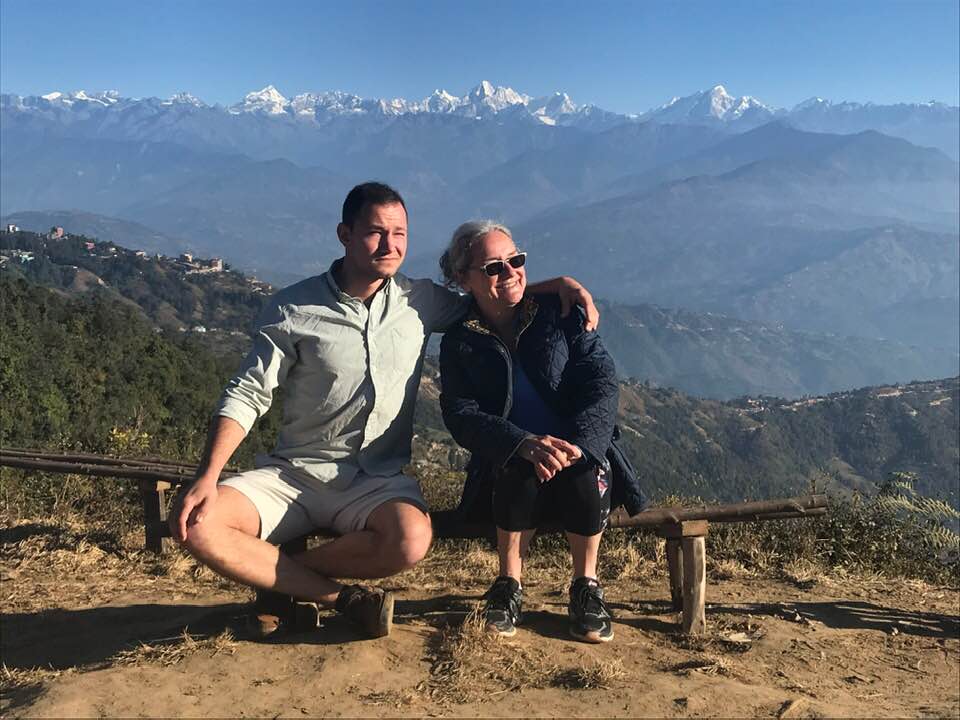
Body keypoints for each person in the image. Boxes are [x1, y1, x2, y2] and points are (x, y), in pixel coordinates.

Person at [170, 183, 599, 639]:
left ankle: (281, 580)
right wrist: (208, 475)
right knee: (198, 524)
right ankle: (341, 599)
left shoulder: (421, 302)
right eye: (376, 232)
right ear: (345, 234)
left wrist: (557, 286)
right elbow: (248, 392)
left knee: (412, 539)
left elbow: (494, 287)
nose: (390, 245)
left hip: (376, 481)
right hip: (293, 474)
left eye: (400, 233)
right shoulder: (293, 307)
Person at [437, 220, 645, 643]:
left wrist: (579, 445)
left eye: (516, 261)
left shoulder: (562, 314)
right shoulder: (459, 340)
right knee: (517, 466)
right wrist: (519, 442)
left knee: (586, 469)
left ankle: (586, 585)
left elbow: (602, 384)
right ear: (463, 278)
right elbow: (460, 413)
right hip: (509, 464)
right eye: (494, 267)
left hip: (577, 451)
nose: (510, 272)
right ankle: (508, 584)